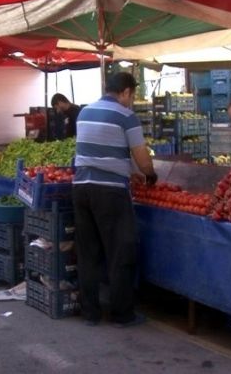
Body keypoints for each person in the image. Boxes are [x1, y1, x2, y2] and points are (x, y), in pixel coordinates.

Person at [72, 72, 157, 328]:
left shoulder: (85, 112)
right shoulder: (125, 115)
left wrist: (126, 168)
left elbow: (99, 150)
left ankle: (91, 314)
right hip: (109, 192)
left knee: (88, 253)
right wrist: (149, 174)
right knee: (121, 251)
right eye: (132, 95)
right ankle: (122, 314)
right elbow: (141, 154)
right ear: (126, 92)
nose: (131, 100)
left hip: (81, 188)